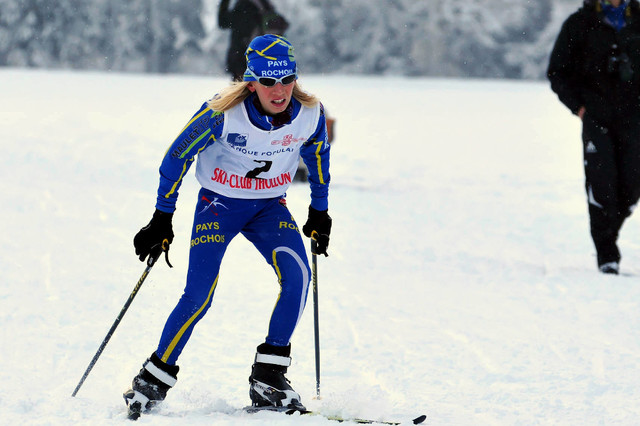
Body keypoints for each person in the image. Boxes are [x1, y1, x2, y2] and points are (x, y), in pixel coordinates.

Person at [123, 34, 332, 419]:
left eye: (286, 79)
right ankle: (153, 379)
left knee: (299, 278)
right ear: (251, 81)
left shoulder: (310, 113)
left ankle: (269, 377)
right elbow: (176, 157)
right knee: (199, 294)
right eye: (268, 81)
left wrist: (319, 211)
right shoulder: (221, 113)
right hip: (218, 207)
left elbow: (318, 154)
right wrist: (161, 217)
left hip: (269, 208)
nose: (279, 90)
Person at [547, 0, 640, 274]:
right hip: (596, 117)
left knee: (631, 187)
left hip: (635, 119)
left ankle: (608, 232)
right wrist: (579, 107)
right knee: (602, 184)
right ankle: (607, 254)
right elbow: (557, 72)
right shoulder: (579, 24)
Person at [218, 0, 289, 81]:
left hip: (243, 59)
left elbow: (223, 22)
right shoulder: (265, 5)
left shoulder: (244, 6)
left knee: (243, 91)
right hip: (265, 59)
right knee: (262, 89)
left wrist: (224, 3)